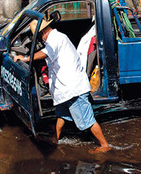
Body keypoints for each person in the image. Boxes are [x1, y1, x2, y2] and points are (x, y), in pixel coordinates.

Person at [12, 19, 111, 152]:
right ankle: (55, 137)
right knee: (62, 114)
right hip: (65, 88)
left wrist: (25, 58)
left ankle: (104, 145)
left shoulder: (56, 39)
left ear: (43, 33)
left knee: (87, 120)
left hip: (73, 88)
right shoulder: (56, 38)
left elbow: (44, 53)